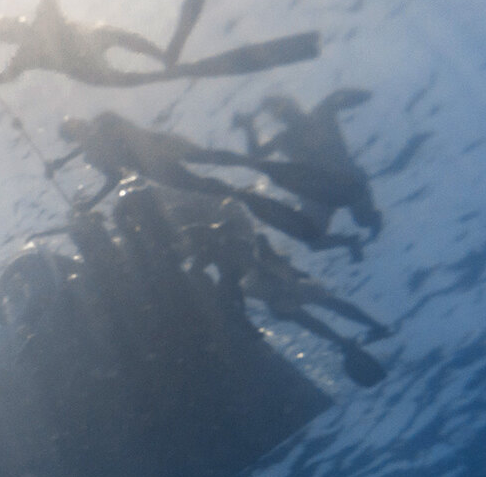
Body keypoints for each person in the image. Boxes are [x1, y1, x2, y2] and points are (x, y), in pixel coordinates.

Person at [0, 0, 319, 91]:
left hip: (90, 47)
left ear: (18, 22)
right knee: (128, 57)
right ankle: (167, 60)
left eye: (10, 25)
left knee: (107, 34)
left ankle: (167, 57)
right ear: (13, 35)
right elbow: (7, 76)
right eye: (8, 31)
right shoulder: (26, 53)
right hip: (89, 67)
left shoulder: (40, 24)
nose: (15, 29)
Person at [190, 197, 393, 385]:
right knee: (318, 307)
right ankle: (359, 334)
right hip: (270, 282)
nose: (244, 220)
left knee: (315, 308)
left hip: (271, 282)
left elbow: (245, 265)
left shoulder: (234, 241)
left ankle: (352, 338)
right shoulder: (227, 241)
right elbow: (240, 266)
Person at [57, 112, 327, 246]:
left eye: (76, 125)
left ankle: (260, 168)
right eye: (74, 130)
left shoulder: (103, 123)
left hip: (160, 148)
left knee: (208, 157)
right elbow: (114, 177)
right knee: (214, 186)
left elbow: (108, 137)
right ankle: (253, 193)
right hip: (157, 167)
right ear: (74, 135)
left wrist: (66, 161)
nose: (80, 128)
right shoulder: (93, 153)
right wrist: (91, 202)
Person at [233, 90, 384, 247]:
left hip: (337, 183)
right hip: (321, 190)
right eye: (278, 111)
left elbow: (255, 155)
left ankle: (360, 233)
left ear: (294, 105)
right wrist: (248, 127)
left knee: (362, 221)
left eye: (283, 108)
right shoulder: (297, 130)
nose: (283, 113)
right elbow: (256, 155)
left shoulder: (317, 116)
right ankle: (351, 240)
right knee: (314, 239)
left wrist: (248, 127)